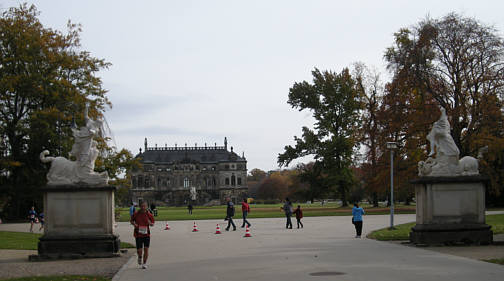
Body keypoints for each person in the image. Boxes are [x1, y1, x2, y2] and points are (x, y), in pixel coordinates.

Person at [130, 201, 155, 269]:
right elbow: (131, 221)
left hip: (146, 234)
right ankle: (140, 256)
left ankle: (144, 263)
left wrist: (150, 223)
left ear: (147, 206)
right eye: (142, 206)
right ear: (140, 206)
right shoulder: (136, 214)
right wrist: (135, 224)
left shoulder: (149, 214)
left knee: (146, 249)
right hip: (138, 234)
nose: (143, 207)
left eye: (145, 206)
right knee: (139, 250)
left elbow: (153, 223)